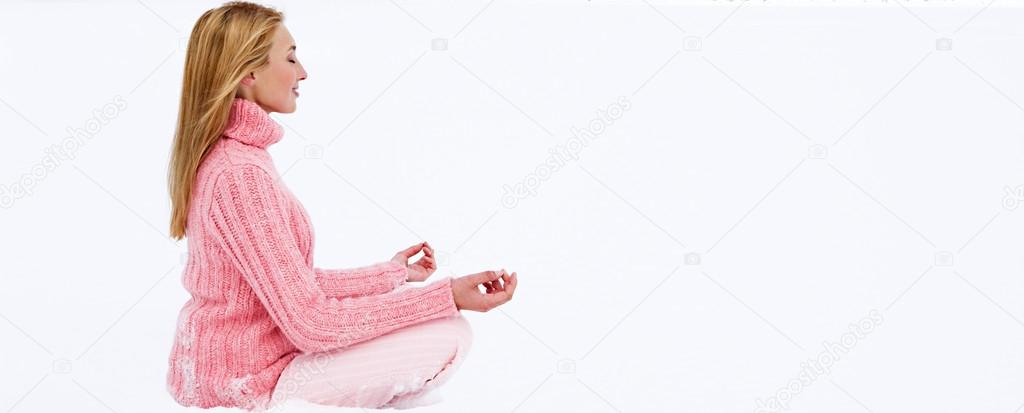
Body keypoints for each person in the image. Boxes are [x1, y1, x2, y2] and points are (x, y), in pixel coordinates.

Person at [164, 2, 517, 410]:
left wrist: (390, 275)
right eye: (291, 57)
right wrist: (448, 296)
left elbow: (291, 286)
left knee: (442, 325)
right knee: (449, 333)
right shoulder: (239, 175)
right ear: (248, 72)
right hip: (245, 388)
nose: (303, 72)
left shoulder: (239, 160)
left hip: (240, 374)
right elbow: (311, 323)